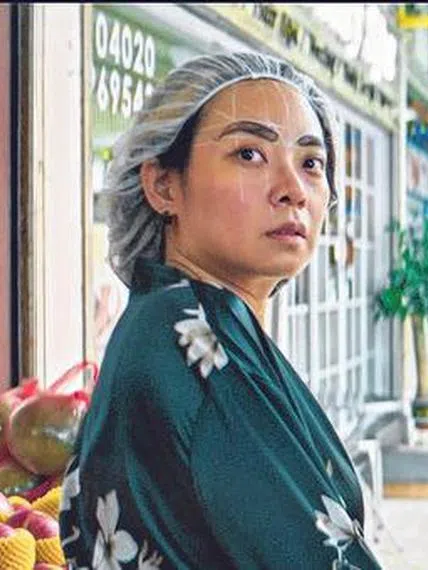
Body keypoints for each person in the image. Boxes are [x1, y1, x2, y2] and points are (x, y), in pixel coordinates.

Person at [60, 52, 382, 570]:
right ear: (163, 185)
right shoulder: (191, 341)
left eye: (311, 163)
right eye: (249, 154)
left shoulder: (184, 322)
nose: (293, 190)